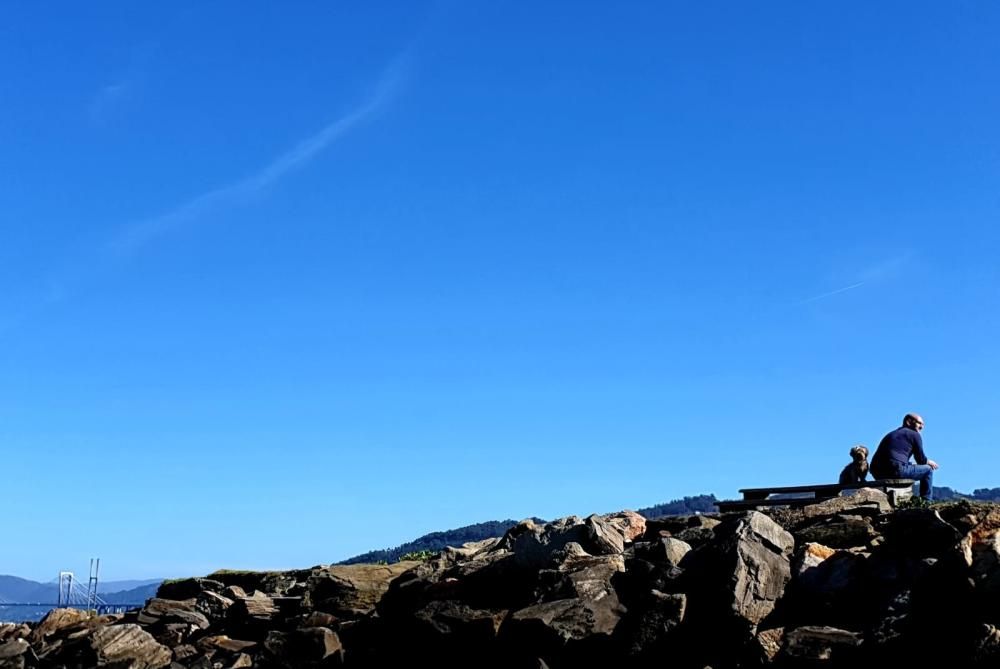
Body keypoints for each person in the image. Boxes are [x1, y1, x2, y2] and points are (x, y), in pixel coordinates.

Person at [870, 413, 939, 500]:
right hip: (895, 470)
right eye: (919, 423)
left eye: (923, 424)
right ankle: (926, 501)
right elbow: (921, 460)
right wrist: (929, 462)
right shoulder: (914, 434)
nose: (922, 427)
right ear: (908, 422)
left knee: (908, 464)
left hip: (877, 473)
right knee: (928, 470)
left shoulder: (891, 434)